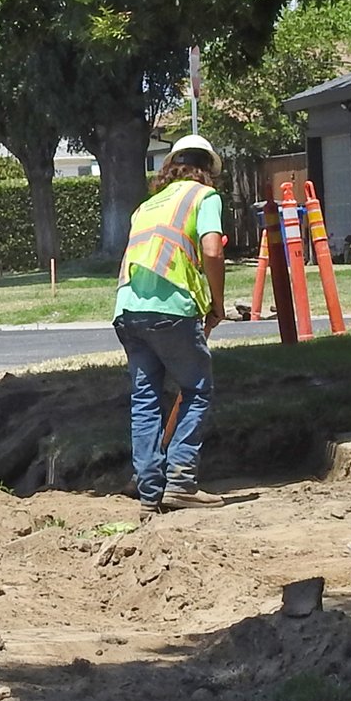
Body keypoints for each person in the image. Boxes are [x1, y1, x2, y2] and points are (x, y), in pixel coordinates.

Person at [113, 133, 227, 513]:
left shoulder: (148, 205)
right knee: (197, 389)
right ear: (207, 170)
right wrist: (217, 302)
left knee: (145, 399)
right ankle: (180, 481)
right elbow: (211, 249)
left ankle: (149, 490)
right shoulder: (203, 197)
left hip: (128, 309)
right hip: (171, 309)